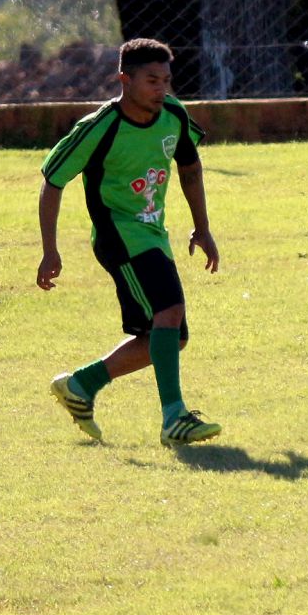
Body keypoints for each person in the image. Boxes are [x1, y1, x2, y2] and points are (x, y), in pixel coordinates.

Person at [37, 38, 223, 446]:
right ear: (125, 80)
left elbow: (191, 168)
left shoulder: (173, 113)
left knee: (172, 337)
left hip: (153, 234)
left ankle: (81, 385)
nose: (162, 90)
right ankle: (174, 418)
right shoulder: (100, 127)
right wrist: (50, 250)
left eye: (167, 80)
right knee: (169, 311)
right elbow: (53, 180)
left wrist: (202, 227)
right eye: (152, 81)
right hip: (117, 236)